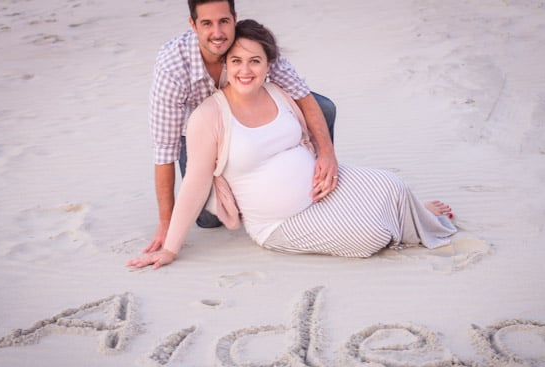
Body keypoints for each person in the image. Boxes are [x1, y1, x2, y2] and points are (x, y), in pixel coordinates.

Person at [127, 19, 457, 270]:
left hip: (321, 191)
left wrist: (326, 156)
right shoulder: (208, 116)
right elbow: (194, 186)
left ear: (269, 66)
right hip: (279, 222)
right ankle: (400, 222)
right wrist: (170, 247)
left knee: (393, 185)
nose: (245, 70)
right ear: (225, 64)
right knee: (369, 236)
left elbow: (312, 118)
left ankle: (414, 216)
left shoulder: (278, 92)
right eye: (237, 61)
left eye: (255, 61)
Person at [144, 0, 338, 254]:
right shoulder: (173, 67)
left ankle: (319, 175)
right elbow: (165, 150)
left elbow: (302, 94)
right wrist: (166, 224)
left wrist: (327, 153)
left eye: (224, 21)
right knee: (210, 219)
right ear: (193, 25)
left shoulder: (247, 42)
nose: (217, 33)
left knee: (324, 108)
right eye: (206, 23)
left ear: (234, 18)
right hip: (199, 133)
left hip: (247, 116)